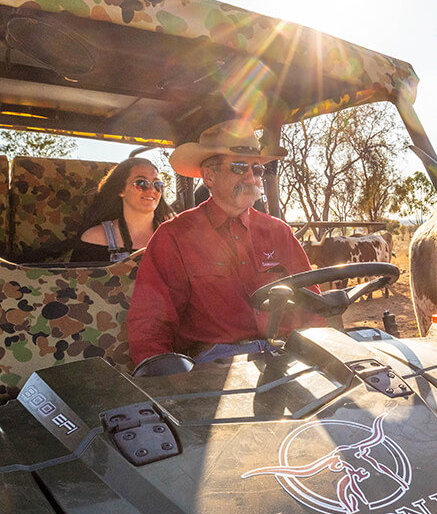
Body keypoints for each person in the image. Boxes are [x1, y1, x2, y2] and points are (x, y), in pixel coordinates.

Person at [126, 120, 318, 366]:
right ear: (209, 176)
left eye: (257, 169)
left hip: (287, 354)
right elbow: (150, 322)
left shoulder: (279, 232)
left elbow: (313, 304)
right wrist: (161, 375)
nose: (251, 176)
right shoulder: (174, 237)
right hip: (217, 361)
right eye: (239, 167)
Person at [70, 157, 173, 262]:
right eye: (141, 183)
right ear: (120, 190)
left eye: (157, 184)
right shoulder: (95, 237)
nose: (151, 190)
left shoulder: (174, 237)